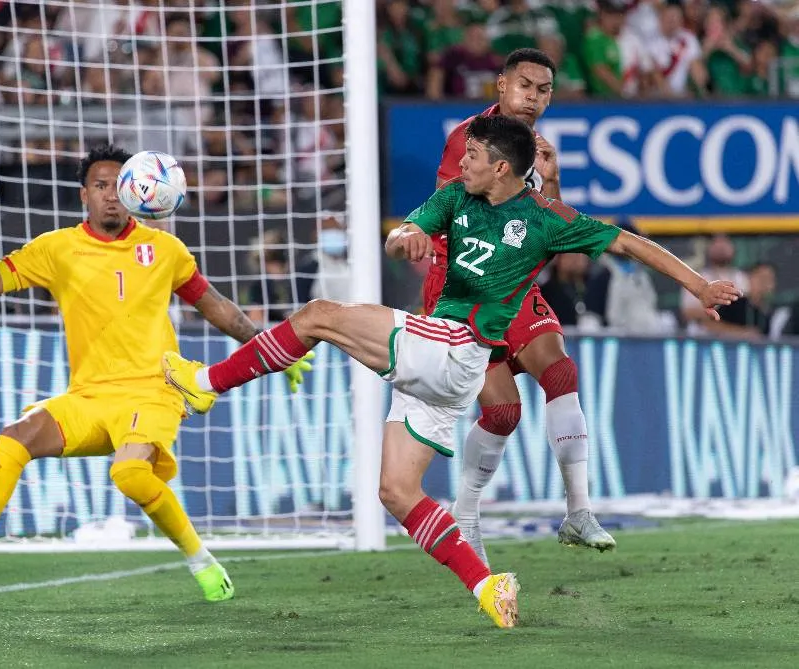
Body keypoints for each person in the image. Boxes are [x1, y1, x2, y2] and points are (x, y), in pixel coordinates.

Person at [163, 116, 740, 628]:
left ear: (503, 167)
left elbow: (631, 245)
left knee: (317, 316)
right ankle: (487, 586)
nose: (461, 162)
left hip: (457, 348)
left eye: (472, 156)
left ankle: (206, 385)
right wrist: (405, 239)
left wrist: (699, 285)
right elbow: (403, 236)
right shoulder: (454, 199)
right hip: (444, 362)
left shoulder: (545, 219)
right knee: (396, 491)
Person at [0, 146, 313, 602]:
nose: (111, 196)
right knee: (14, 436)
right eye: (100, 186)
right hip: (87, 398)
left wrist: (271, 349)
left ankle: (201, 559)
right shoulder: (57, 248)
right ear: (84, 194)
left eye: (119, 185)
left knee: (129, 475)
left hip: (154, 393)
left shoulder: (165, 249)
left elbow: (215, 304)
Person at [426, 48, 614, 565]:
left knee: (559, 371)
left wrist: (550, 182)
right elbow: (450, 213)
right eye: (525, 86)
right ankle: (465, 514)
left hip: (515, 287)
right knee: (504, 411)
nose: (534, 98)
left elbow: (559, 242)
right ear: (500, 86)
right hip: (463, 287)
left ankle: (579, 512)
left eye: (544, 90)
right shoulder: (469, 140)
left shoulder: (536, 150)